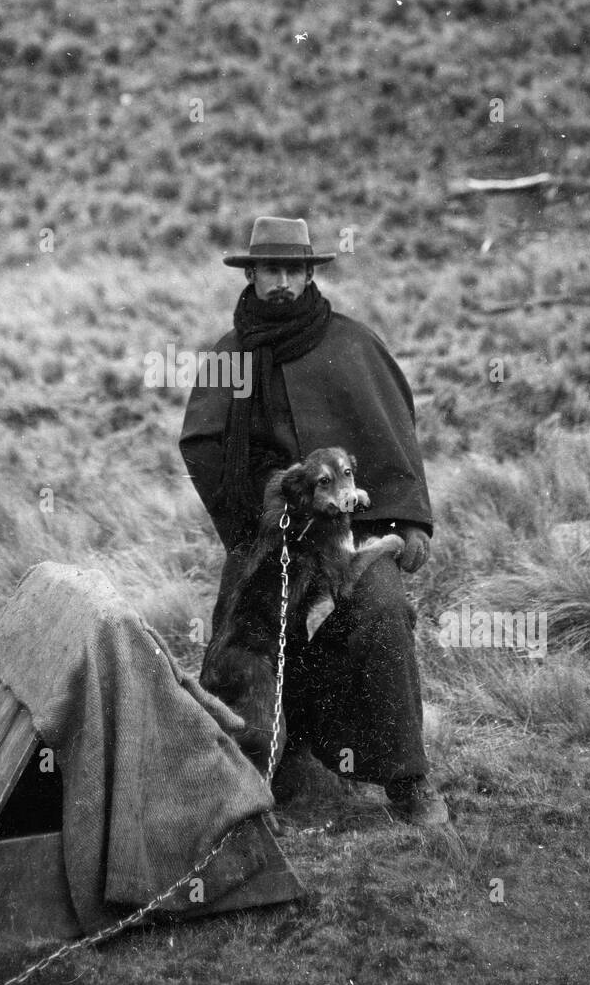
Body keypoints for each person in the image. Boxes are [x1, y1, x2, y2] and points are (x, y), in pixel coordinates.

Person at [179, 216, 448, 826]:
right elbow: (202, 445)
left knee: (380, 608)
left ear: (308, 273)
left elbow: (393, 431)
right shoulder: (230, 357)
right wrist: (271, 499)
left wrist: (408, 522)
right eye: (269, 270)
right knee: (246, 641)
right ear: (251, 273)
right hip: (268, 537)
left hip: (346, 536)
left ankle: (408, 780)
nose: (281, 283)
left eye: (293, 270)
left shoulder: (353, 345)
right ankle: (268, 759)